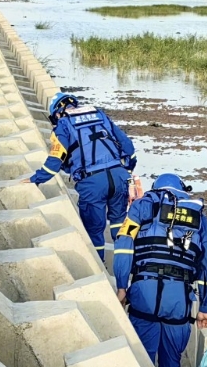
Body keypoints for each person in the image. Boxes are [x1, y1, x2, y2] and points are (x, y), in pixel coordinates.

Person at [113, 173, 207, 367]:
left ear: (155, 188)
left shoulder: (141, 206)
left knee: (143, 361)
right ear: (182, 189)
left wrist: (122, 286)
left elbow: (124, 245)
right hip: (179, 299)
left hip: (144, 293)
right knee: (172, 362)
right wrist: (205, 307)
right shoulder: (197, 217)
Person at [22, 92, 137, 260]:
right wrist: (127, 171)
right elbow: (128, 147)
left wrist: (36, 179)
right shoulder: (99, 114)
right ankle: (126, 265)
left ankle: (100, 265)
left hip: (92, 182)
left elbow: (56, 159)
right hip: (119, 175)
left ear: (57, 112)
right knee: (119, 223)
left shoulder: (63, 124)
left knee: (94, 230)